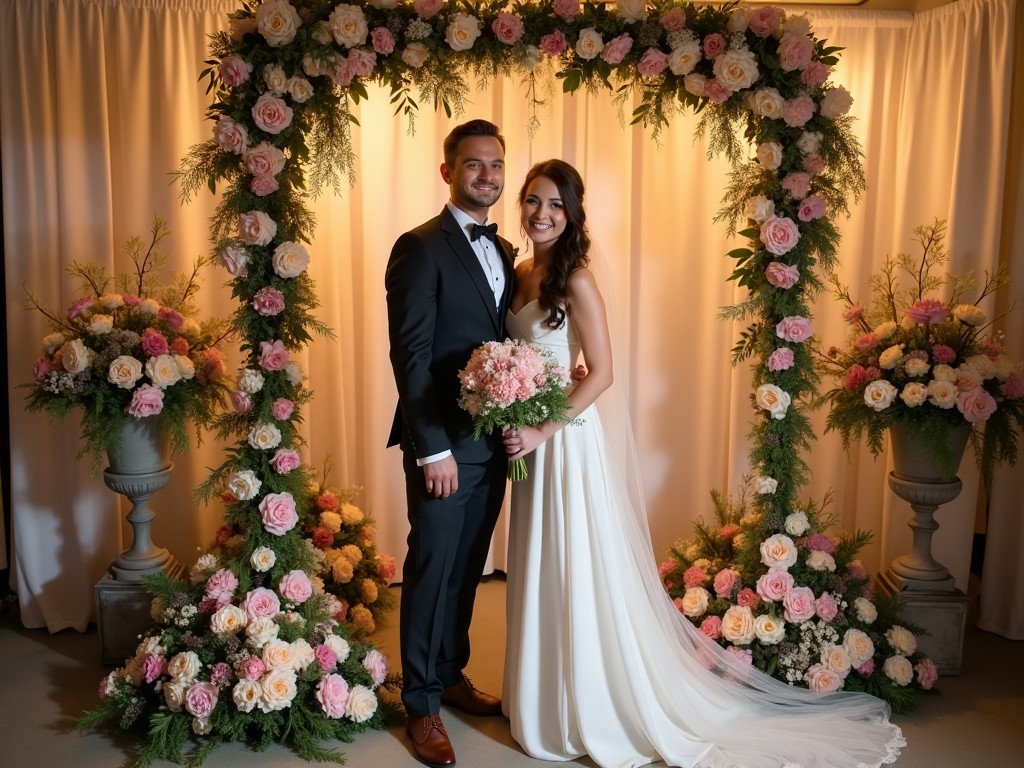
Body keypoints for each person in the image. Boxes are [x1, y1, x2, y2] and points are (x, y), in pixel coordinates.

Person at [501, 159, 905, 768]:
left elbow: (603, 372)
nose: (541, 214)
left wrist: (540, 428)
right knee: (538, 560)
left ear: (573, 213)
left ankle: (583, 703)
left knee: (572, 561)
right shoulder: (521, 270)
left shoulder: (577, 280)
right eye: (533, 200)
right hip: (527, 439)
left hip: (561, 442)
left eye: (555, 204)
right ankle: (536, 695)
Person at [385, 119, 514, 768]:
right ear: (447, 172)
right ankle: (421, 704)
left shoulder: (508, 251)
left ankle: (452, 674)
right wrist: (431, 447)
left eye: (495, 164)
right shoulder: (419, 247)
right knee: (433, 570)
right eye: (473, 165)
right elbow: (410, 357)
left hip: (491, 444)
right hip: (442, 444)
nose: (486, 175)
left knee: (467, 569)